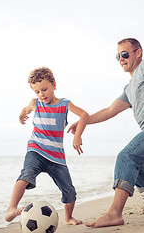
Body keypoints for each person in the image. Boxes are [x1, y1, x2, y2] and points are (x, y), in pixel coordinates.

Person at [67, 38, 144, 228]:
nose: (121, 59)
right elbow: (109, 111)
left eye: (125, 54)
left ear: (138, 52)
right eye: (118, 56)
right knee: (136, 166)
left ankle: (114, 213)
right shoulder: (129, 88)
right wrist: (84, 120)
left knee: (126, 157)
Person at [5, 67, 89, 225]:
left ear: (54, 85)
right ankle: (11, 207)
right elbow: (26, 109)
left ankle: (69, 217)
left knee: (70, 192)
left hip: (57, 157)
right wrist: (21, 115)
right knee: (26, 174)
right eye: (37, 91)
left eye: (44, 89)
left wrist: (77, 135)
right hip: (36, 150)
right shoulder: (35, 103)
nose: (41, 94)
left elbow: (84, 115)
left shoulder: (64, 104)